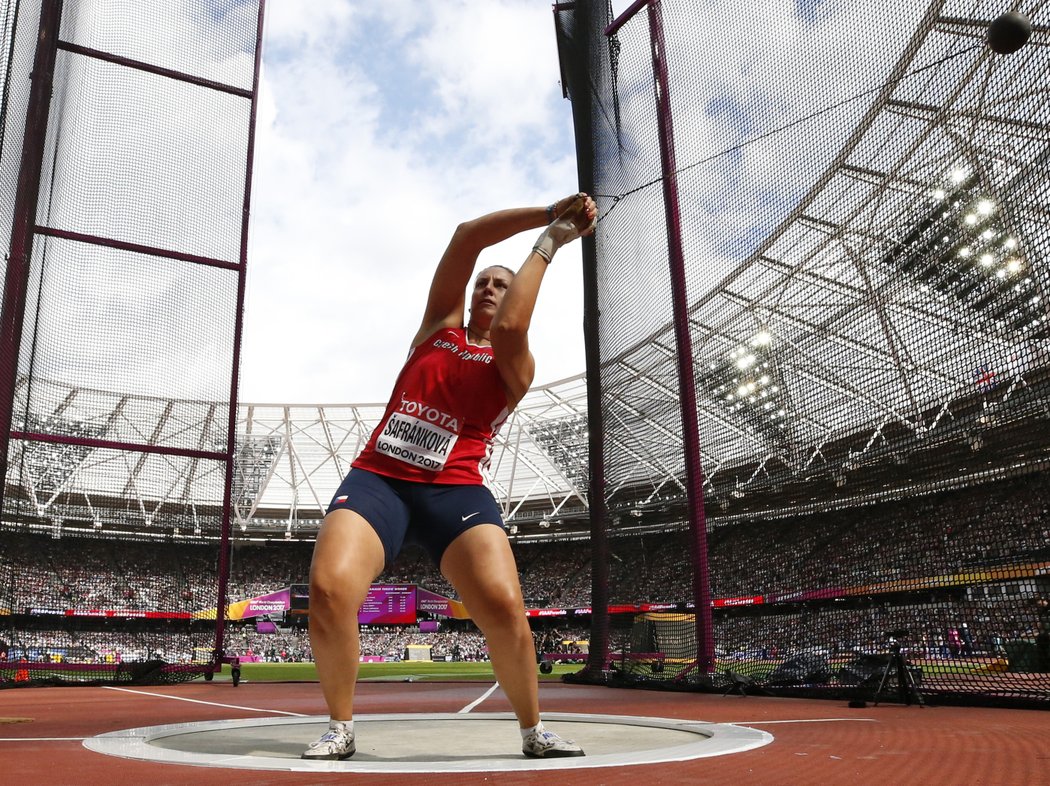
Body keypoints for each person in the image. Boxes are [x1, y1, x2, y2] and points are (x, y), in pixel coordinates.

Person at [302, 193, 597, 761]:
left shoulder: (516, 364)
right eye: (482, 283)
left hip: (456, 491)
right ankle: (340, 727)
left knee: (504, 606)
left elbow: (511, 327)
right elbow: (466, 236)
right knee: (329, 590)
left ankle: (533, 730)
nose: (487, 288)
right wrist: (544, 213)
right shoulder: (439, 329)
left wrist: (553, 240)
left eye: (499, 283)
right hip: (378, 480)